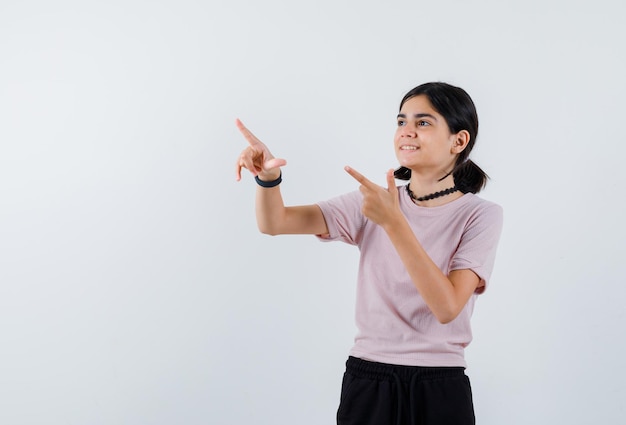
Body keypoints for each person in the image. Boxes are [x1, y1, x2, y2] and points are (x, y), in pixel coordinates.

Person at [235, 82, 503, 425]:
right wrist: (269, 179)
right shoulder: (372, 202)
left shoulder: (480, 215)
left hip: (440, 382)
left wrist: (394, 223)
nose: (407, 132)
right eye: (401, 121)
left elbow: (448, 307)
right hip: (369, 378)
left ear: (459, 140)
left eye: (423, 123)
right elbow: (275, 222)